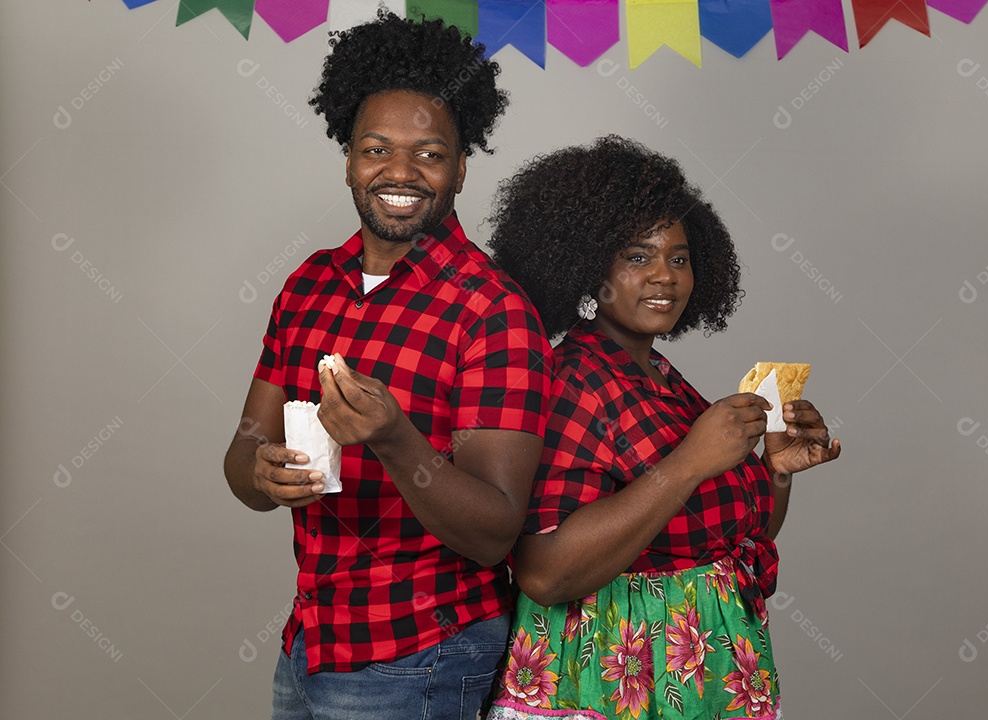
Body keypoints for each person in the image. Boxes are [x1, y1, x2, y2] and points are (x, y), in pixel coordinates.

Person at [223, 11, 552, 720]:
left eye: (429, 154)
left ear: (460, 168)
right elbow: (243, 455)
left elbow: (495, 531)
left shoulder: (493, 310)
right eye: (376, 149)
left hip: (423, 651)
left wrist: (396, 440)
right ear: (348, 160)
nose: (400, 172)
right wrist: (262, 473)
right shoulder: (309, 284)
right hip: (311, 639)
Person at [482, 136, 841, 720]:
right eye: (637, 257)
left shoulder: (661, 377)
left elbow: (725, 539)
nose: (664, 277)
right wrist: (690, 462)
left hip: (703, 672)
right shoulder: (577, 381)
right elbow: (545, 573)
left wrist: (776, 470)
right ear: (587, 266)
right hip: (615, 677)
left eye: (678, 258)